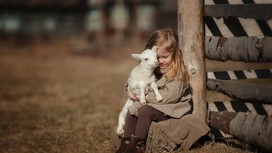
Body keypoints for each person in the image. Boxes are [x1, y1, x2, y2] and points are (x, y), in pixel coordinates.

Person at [116, 28, 209, 153]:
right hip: (155, 107)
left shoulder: (178, 74)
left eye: (165, 57)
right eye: (157, 57)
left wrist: (144, 96)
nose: (160, 61)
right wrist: (129, 88)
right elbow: (135, 77)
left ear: (174, 53)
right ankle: (126, 145)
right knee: (131, 110)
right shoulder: (151, 67)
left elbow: (169, 97)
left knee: (144, 111)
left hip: (170, 111)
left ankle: (138, 147)